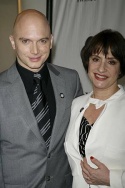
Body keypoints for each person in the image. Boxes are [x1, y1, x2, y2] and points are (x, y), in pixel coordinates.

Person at [0, 9, 83, 188]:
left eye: (42, 41)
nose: (35, 50)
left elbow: (79, 136)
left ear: (51, 41)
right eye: (26, 41)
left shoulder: (71, 80)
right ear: (13, 42)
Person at [64, 29, 125, 188]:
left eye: (111, 62)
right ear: (87, 62)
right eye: (96, 59)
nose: (101, 68)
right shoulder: (76, 104)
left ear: (120, 68)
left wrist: (113, 179)